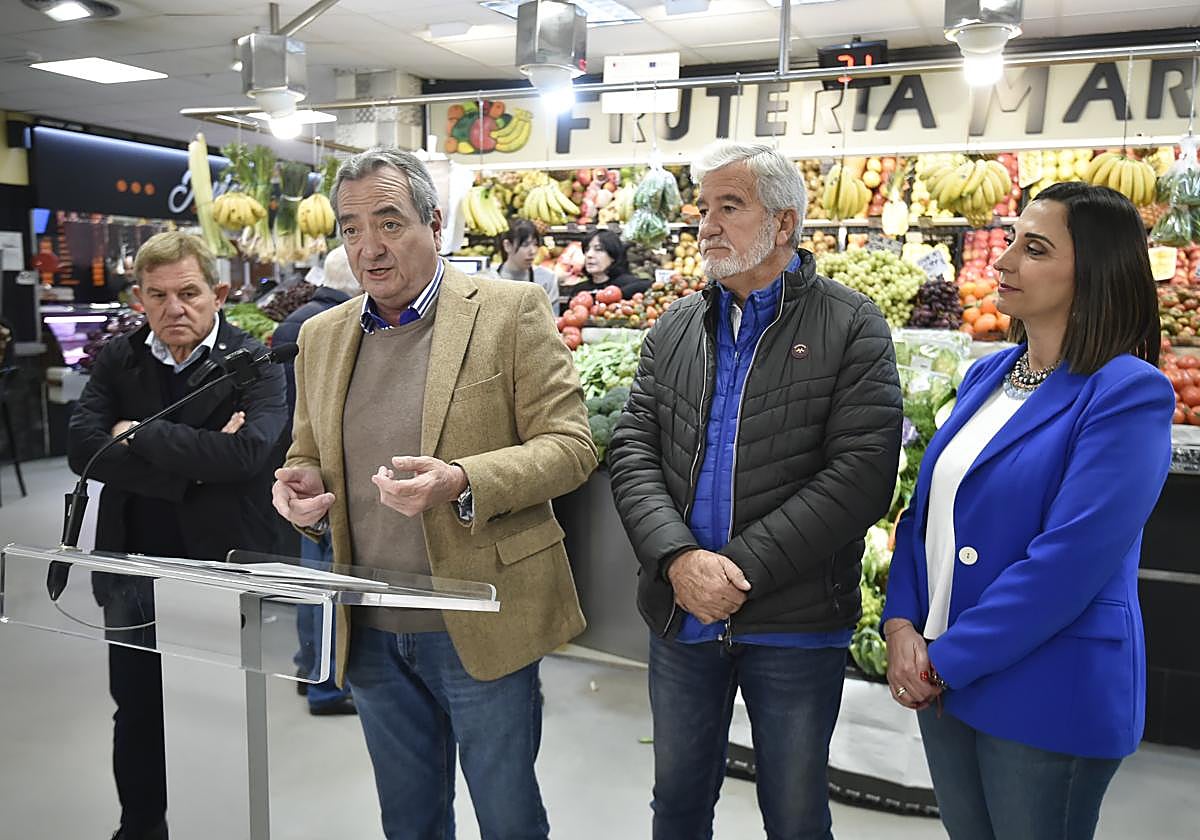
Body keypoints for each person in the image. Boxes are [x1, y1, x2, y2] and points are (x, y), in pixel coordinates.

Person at [271, 147, 596, 840]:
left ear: (435, 224)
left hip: (479, 618)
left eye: (389, 223)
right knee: (409, 821)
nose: (369, 247)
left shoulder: (510, 311)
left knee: (508, 818)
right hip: (370, 629)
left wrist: (464, 480)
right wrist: (302, 492)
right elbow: (307, 454)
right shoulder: (321, 338)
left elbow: (571, 448)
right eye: (352, 228)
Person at [608, 140, 902, 840]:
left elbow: (861, 475)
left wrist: (735, 571)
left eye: (729, 207)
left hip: (795, 624)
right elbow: (632, 448)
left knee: (795, 814)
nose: (707, 224)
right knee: (677, 804)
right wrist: (678, 560)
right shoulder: (675, 327)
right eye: (703, 208)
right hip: (682, 616)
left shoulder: (852, 325)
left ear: (784, 223)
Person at [881, 182, 1174, 840]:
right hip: (946, 679)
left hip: (1046, 688)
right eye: (1010, 240)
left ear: (1095, 272)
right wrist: (901, 624)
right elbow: (926, 512)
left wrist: (944, 661)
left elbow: (1066, 565)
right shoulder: (988, 375)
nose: (1003, 260)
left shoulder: (1127, 393)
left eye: (1034, 249)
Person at [67, 231, 287, 840]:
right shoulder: (120, 357)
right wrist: (196, 466)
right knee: (136, 709)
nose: (174, 309)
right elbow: (82, 448)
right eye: (158, 295)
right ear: (139, 298)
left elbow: (249, 454)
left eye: (188, 293)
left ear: (218, 293)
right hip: (130, 565)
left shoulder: (254, 361)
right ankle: (140, 828)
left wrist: (136, 433)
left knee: (218, 709)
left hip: (218, 564)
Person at [272, 245, 361, 715]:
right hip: (327, 474)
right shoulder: (331, 327)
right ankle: (326, 684)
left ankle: (309, 668)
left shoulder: (297, 320)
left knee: (312, 581)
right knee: (328, 583)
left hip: (301, 468)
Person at [495, 218, 560, 313]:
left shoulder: (547, 279)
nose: (532, 251)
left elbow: (552, 319)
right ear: (507, 245)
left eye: (535, 244)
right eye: (525, 245)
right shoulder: (487, 279)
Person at [567, 229, 649, 297]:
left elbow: (650, 285)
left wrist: (614, 295)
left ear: (613, 256)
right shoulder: (579, 290)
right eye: (587, 250)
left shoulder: (630, 284)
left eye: (598, 249)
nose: (589, 255)